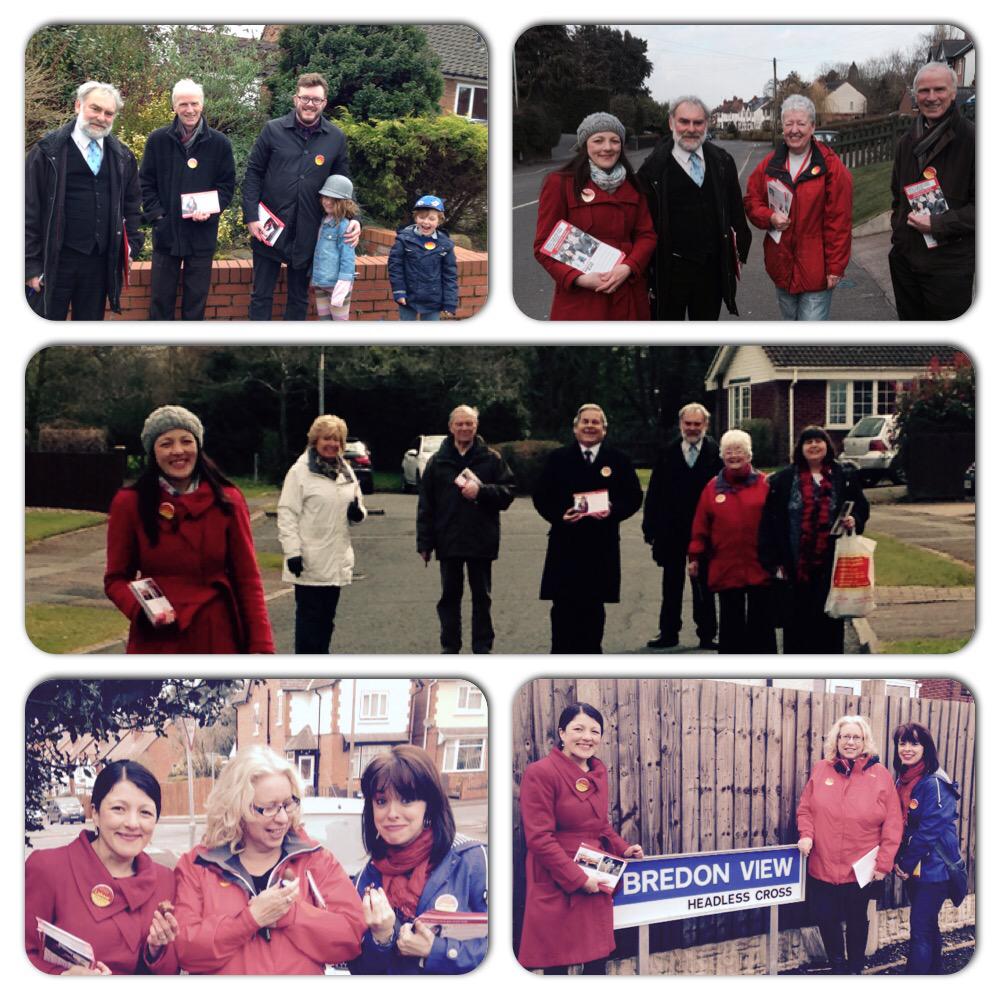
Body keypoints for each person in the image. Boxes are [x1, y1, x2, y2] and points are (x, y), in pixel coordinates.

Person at [172, 745, 366, 974]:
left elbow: (352, 938)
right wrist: (250, 920)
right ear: (236, 808)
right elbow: (185, 950)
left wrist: (292, 915)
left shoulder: (316, 859)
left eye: (287, 804)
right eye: (269, 808)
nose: (283, 818)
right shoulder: (197, 865)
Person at [104, 405, 274, 653]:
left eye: (186, 441)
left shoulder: (229, 500)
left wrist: (261, 647)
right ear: (153, 451)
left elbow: (247, 579)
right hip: (158, 641)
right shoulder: (129, 503)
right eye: (166, 443)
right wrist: (142, 610)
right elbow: (116, 579)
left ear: (198, 446)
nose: (178, 451)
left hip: (218, 636)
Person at [517, 703, 643, 974]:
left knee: (597, 960)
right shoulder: (541, 772)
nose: (587, 737)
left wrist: (624, 848)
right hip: (557, 875)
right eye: (579, 729)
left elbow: (601, 826)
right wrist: (577, 878)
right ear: (562, 733)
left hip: (596, 871)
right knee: (557, 966)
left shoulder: (598, 772)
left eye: (595, 731)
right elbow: (539, 838)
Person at [25, 761, 178, 975]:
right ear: (95, 813)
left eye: (145, 813)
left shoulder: (166, 881)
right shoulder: (47, 869)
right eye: (118, 809)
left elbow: (169, 974)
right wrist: (62, 977)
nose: (133, 823)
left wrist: (155, 951)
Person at [351, 745, 487, 974]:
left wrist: (436, 951)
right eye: (382, 801)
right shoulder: (367, 878)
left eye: (406, 800)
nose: (392, 813)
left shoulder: (472, 861)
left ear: (429, 805)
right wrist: (381, 938)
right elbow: (360, 970)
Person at [241, 72, 360, 320]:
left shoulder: (335, 138)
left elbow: (343, 185)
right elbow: (253, 174)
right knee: (261, 295)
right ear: (296, 99)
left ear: (324, 103)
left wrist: (355, 220)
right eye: (305, 98)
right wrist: (251, 216)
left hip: (310, 231)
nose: (310, 104)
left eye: (316, 100)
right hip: (269, 229)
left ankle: (291, 352)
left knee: (298, 298)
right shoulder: (273, 130)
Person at [25, 80, 143, 320]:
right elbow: (27, 210)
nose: (101, 117)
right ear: (78, 106)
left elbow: (132, 205)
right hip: (55, 261)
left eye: (109, 113)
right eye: (95, 109)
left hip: (98, 264)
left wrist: (131, 247)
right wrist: (30, 265)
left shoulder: (122, 156)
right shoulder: (46, 152)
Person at [532, 404, 643, 653]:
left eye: (596, 423)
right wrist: (559, 515)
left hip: (600, 545)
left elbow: (634, 497)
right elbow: (541, 496)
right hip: (565, 543)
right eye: (585, 422)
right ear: (575, 428)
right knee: (562, 607)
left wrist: (614, 509)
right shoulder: (558, 459)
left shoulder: (618, 460)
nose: (590, 426)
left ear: (604, 429)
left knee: (593, 608)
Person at [796, 715, 903, 974]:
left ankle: (855, 968)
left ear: (865, 741)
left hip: (861, 868)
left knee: (857, 919)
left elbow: (893, 822)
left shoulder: (881, 775)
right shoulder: (822, 769)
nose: (851, 742)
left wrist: (884, 863)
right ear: (837, 740)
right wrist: (806, 834)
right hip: (823, 863)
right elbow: (805, 809)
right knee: (825, 917)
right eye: (845, 736)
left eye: (857, 737)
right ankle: (838, 966)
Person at [636, 96, 751, 319]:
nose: (691, 129)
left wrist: (740, 252)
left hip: (711, 271)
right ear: (671, 123)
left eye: (698, 123)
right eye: (684, 122)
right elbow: (643, 225)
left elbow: (735, 211)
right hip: (670, 272)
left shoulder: (722, 161)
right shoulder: (652, 169)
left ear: (706, 124)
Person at [533, 112, 656, 320]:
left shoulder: (635, 186)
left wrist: (628, 267)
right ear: (585, 145)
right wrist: (579, 279)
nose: (607, 147)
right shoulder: (559, 183)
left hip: (628, 293)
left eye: (614, 141)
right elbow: (544, 246)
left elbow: (647, 235)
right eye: (598, 140)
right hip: (582, 299)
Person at [759, 425, 869, 653]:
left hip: (831, 564)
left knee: (828, 625)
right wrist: (772, 561)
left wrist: (854, 521)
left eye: (819, 440)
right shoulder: (783, 480)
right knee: (796, 626)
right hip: (795, 564)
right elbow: (769, 521)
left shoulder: (843, 475)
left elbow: (861, 507)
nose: (814, 445)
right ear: (801, 448)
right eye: (808, 442)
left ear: (827, 446)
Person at [416, 405, 516, 653]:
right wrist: (424, 543)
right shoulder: (438, 461)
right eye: (459, 424)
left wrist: (481, 491)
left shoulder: (491, 458)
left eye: (469, 423)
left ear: (476, 426)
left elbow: (508, 492)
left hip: (481, 539)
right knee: (449, 598)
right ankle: (450, 647)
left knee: (482, 598)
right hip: (448, 539)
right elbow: (426, 504)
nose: (464, 428)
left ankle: (482, 647)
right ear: (451, 428)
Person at [744, 94, 852, 321]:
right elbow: (752, 201)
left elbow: (839, 221)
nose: (794, 130)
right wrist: (770, 216)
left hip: (816, 269)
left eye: (801, 123)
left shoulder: (830, 167)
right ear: (782, 127)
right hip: (781, 265)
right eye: (789, 123)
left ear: (812, 127)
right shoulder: (770, 164)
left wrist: (835, 267)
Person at [139, 78, 236, 320]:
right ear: (174, 107)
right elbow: (144, 183)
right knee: (160, 301)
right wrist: (158, 216)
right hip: (166, 234)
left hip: (201, 235)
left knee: (196, 301)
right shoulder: (157, 140)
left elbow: (226, 187)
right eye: (183, 104)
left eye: (194, 103)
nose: (189, 110)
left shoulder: (220, 144)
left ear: (202, 105)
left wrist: (212, 210)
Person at [889, 62, 975, 320]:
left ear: (952, 93)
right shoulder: (907, 142)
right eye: (924, 91)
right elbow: (897, 197)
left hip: (949, 266)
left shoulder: (973, 140)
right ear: (915, 96)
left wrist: (937, 224)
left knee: (945, 352)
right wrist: (900, 236)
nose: (932, 97)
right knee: (914, 346)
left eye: (939, 89)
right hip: (906, 261)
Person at [277, 414, 367, 654]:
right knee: (309, 626)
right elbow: (287, 514)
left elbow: (357, 504)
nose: (332, 444)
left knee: (326, 623)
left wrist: (358, 514)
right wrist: (292, 552)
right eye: (327, 438)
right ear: (315, 440)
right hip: (309, 561)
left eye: (337, 439)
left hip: (336, 560)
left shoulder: (345, 469)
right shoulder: (300, 472)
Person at [687, 429, 775, 654]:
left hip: (760, 563)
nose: (734, 456)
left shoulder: (766, 484)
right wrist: (695, 556)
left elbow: (778, 522)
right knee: (730, 620)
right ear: (722, 455)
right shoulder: (711, 488)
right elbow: (700, 526)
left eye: (739, 451)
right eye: (729, 451)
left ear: (749, 455)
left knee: (761, 622)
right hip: (725, 564)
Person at [642, 402, 722, 649]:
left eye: (697, 424)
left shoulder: (716, 453)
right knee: (671, 584)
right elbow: (654, 492)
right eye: (688, 423)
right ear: (680, 424)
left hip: (706, 530)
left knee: (705, 585)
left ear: (705, 425)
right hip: (671, 530)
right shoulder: (667, 453)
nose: (692, 428)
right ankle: (668, 633)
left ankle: (708, 634)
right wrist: (650, 528)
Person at [892, 722, 964, 974]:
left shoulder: (933, 782)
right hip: (918, 869)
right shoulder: (904, 778)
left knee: (920, 931)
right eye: (902, 743)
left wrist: (904, 863)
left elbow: (928, 832)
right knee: (928, 925)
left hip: (935, 871)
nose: (907, 749)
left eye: (914, 743)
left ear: (926, 747)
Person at [388, 194, 459, 320]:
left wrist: (450, 302)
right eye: (421, 217)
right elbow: (395, 268)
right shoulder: (403, 239)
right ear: (415, 218)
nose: (426, 222)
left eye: (431, 219)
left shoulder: (445, 244)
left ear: (439, 221)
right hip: (408, 297)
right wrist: (399, 292)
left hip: (433, 299)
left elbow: (450, 275)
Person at [311, 175, 358, 320]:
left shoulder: (344, 226)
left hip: (337, 285)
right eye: (325, 197)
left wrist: (343, 283)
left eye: (333, 199)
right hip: (321, 282)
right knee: (325, 320)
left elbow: (348, 258)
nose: (327, 201)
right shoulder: (323, 221)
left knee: (339, 322)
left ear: (343, 202)